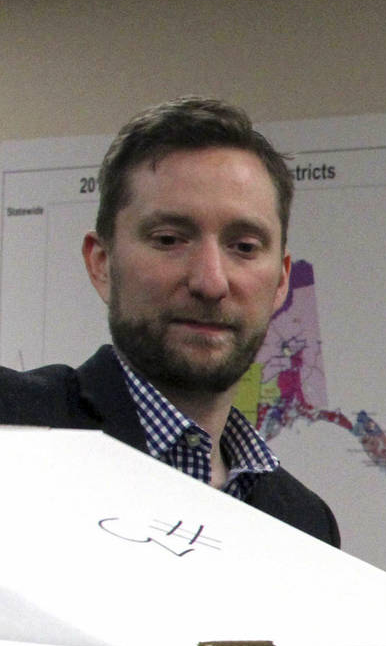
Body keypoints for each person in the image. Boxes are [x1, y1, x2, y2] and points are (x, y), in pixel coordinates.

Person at [0, 97, 338, 544]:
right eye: (170, 239)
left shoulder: (305, 525)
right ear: (102, 263)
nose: (211, 281)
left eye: (244, 247)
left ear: (280, 282)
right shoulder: (12, 426)